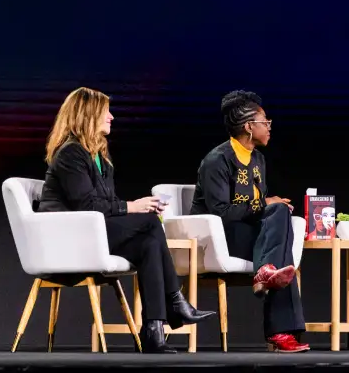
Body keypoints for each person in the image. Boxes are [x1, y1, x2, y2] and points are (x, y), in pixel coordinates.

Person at [37, 87, 215, 353]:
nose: (112, 117)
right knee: (150, 224)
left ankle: (154, 331)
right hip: (70, 236)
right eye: (106, 112)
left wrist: (138, 209)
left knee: (148, 244)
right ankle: (175, 303)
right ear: (89, 114)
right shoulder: (70, 154)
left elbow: (104, 207)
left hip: (94, 231)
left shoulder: (100, 158)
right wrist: (133, 206)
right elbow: (86, 205)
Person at [189, 90, 310, 353]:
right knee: (279, 236)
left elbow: (259, 207)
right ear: (248, 126)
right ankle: (280, 331)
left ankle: (266, 271)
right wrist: (266, 204)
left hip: (250, 236)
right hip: (220, 238)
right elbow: (221, 213)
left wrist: (272, 206)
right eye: (264, 121)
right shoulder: (217, 161)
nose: (269, 127)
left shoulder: (258, 159)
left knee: (280, 217)